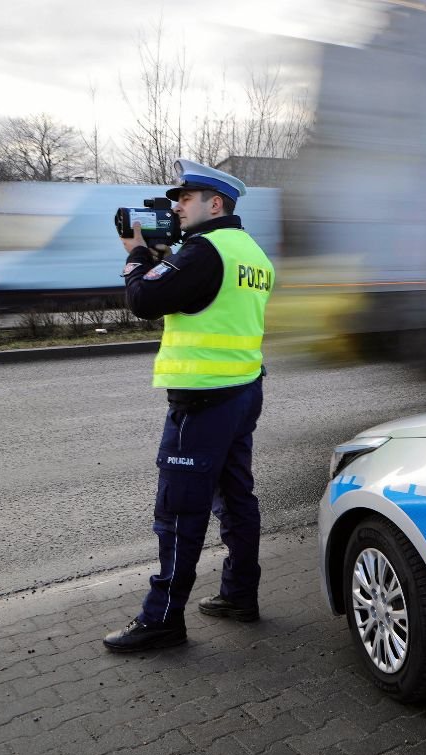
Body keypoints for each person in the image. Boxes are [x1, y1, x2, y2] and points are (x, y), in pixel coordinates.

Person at [104, 159, 274, 652]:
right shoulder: (252, 253)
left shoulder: (204, 251)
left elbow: (143, 300)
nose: (176, 207)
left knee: (179, 512)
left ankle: (162, 620)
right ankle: (239, 596)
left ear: (214, 203)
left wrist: (137, 255)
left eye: (184, 198)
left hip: (202, 401)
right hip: (243, 390)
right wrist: (165, 257)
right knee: (237, 499)